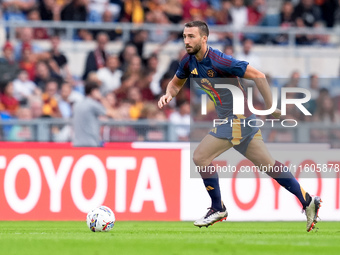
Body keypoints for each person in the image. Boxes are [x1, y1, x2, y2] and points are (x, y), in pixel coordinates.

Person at [157, 21, 322, 232]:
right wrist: (168, 94)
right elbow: (175, 83)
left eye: (191, 36)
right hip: (242, 120)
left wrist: (271, 107)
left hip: (238, 119)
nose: (186, 41)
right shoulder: (188, 61)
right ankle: (308, 200)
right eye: (185, 36)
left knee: (200, 157)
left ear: (204, 38)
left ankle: (218, 208)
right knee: (269, 166)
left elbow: (259, 76)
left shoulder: (220, 61)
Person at [72, 82, 116, 147]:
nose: (99, 93)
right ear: (93, 91)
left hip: (77, 143)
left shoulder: (77, 104)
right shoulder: (92, 104)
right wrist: (101, 98)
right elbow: (111, 113)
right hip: (91, 143)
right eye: (98, 91)